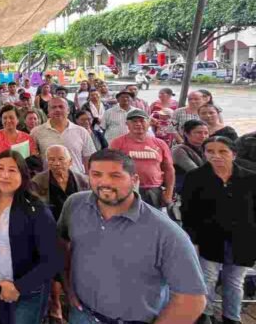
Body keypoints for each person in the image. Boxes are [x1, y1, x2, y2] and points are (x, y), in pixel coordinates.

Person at [58, 149, 207, 324]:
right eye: (96, 174)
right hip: (82, 315)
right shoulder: (75, 205)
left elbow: (192, 300)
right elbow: (62, 244)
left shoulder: (166, 232)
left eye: (115, 176)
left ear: (134, 180)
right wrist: (68, 288)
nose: (105, 182)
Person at [0, 151, 63, 324]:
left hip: (28, 291)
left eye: (12, 170)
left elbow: (53, 260)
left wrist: (19, 287)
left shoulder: (36, 209)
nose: (5, 175)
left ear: (23, 175)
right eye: (0, 168)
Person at [181, 136, 256, 324]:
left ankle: (232, 317)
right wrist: (193, 240)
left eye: (223, 151)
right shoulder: (195, 177)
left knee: (235, 281)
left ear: (234, 154)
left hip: (243, 239)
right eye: (210, 151)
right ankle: (203, 316)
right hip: (208, 238)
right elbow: (188, 211)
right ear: (204, 154)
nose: (216, 156)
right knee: (207, 279)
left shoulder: (250, 178)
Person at [29, 145, 88, 323]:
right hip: (51, 231)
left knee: (78, 267)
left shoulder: (82, 180)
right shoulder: (37, 181)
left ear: (70, 161)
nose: (56, 163)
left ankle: (77, 299)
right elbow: (35, 211)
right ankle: (55, 303)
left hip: (78, 231)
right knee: (55, 265)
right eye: (51, 160)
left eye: (61, 159)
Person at [109, 109, 175, 209]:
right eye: (134, 121)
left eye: (142, 121)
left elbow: (169, 169)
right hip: (127, 190)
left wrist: (169, 193)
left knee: (153, 222)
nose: (138, 124)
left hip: (154, 191)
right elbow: (110, 168)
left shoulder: (160, 144)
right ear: (127, 124)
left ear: (149, 123)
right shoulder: (117, 143)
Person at [31, 97, 95, 176]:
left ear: (68, 110)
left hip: (76, 180)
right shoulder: (36, 132)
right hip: (48, 182)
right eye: (53, 107)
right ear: (48, 111)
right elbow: (33, 160)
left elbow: (88, 158)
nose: (57, 110)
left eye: (61, 107)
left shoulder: (81, 131)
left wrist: (88, 179)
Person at [172, 120, 209, 193]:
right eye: (198, 132)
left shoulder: (207, 149)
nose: (203, 136)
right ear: (186, 134)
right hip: (185, 188)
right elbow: (195, 172)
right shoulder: (179, 150)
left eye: (206, 133)